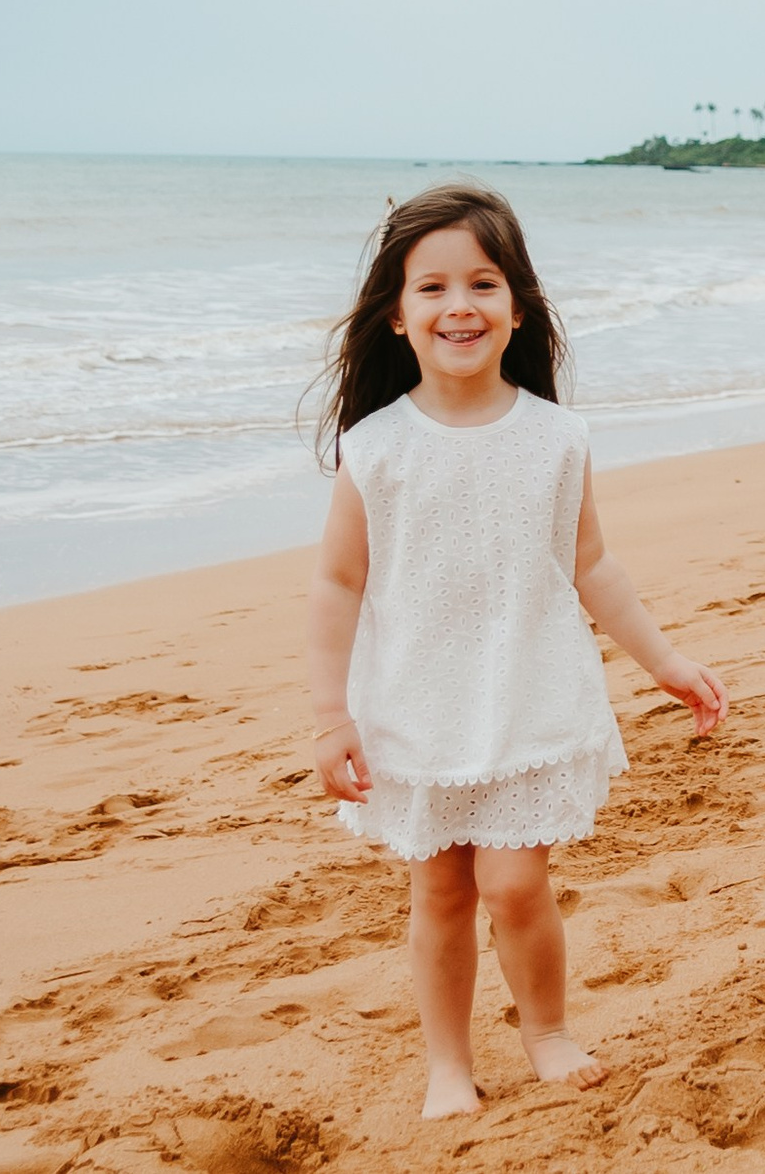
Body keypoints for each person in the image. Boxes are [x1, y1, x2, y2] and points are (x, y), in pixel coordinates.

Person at [305, 184, 728, 1117]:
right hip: (416, 703)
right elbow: (337, 585)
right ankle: (448, 1065)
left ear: (517, 308)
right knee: (442, 894)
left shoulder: (555, 438)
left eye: (483, 283)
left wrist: (664, 662)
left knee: (515, 882)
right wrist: (331, 714)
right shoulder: (374, 449)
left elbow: (594, 567)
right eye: (433, 289)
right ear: (396, 317)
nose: (460, 305)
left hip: (528, 694)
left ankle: (544, 1028)